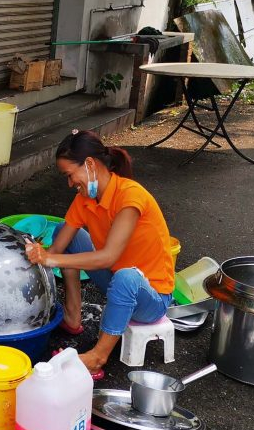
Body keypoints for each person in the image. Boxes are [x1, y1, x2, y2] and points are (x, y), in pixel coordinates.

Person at [25, 130, 175, 374]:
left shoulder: (130, 196)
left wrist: (50, 258)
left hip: (151, 297)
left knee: (127, 276)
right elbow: (56, 249)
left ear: (90, 164)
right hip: (117, 280)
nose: (70, 183)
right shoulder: (84, 200)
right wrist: (32, 252)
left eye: (70, 175)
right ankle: (73, 316)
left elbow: (108, 257)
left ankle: (98, 356)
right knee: (67, 230)